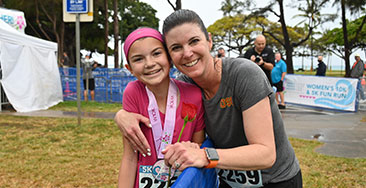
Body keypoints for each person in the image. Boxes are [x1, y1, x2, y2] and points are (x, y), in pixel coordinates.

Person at [115, 9, 302, 188]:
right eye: (176, 47)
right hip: (228, 181)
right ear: (170, 56)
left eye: (194, 41)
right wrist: (122, 115)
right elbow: (155, 95)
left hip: (276, 181)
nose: (187, 53)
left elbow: (266, 154)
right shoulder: (186, 85)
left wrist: (205, 156)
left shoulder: (244, 74)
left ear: (209, 41)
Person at [117, 27, 205, 188]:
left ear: (169, 58)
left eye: (157, 53)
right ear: (129, 68)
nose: (149, 64)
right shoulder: (133, 92)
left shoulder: (194, 94)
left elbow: (197, 146)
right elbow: (130, 157)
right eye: (138, 59)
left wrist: (192, 149)